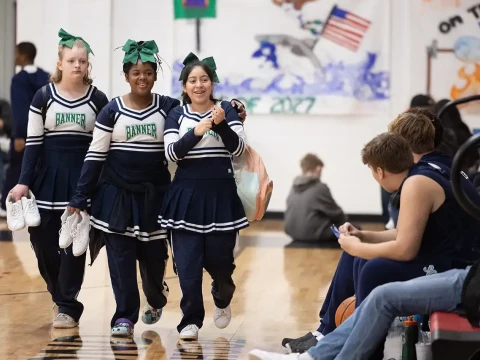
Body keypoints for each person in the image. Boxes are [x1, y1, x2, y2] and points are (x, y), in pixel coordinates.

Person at [68, 44, 247, 337]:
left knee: (160, 262)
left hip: (160, 195)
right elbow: (96, 154)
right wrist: (81, 196)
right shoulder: (114, 110)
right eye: (136, 72)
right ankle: (127, 317)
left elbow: (235, 140)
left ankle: (162, 295)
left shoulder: (167, 107)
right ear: (126, 75)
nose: (142, 78)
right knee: (126, 259)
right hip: (120, 195)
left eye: (148, 73)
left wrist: (231, 110)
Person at [282, 112, 480, 354]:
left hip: (463, 269)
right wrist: (364, 236)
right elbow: (407, 230)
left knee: (373, 266)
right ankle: (329, 333)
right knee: (359, 254)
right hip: (456, 259)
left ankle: (364, 345)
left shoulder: (419, 180)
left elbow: (406, 247)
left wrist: (358, 247)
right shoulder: (441, 164)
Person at [8, 29, 108, 328]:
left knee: (74, 245)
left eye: (83, 61)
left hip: (82, 179)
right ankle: (60, 295)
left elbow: (103, 146)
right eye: (72, 60)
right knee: (42, 243)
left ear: (87, 65)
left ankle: (67, 306)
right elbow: (34, 142)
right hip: (46, 178)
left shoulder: (98, 99)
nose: (78, 65)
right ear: (60, 63)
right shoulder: (43, 96)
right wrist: (24, 181)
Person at [160, 52, 248, 340]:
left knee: (221, 262)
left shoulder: (227, 110)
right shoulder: (176, 114)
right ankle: (190, 320)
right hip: (185, 195)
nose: (199, 85)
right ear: (185, 86)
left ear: (212, 83)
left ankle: (222, 296)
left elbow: (239, 151)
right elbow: (171, 153)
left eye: (204, 80)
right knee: (186, 264)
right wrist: (196, 131)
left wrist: (220, 124)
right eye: (193, 81)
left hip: (221, 197)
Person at [250, 264, 472, 360]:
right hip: (471, 274)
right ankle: (312, 354)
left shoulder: (423, 181)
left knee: (383, 295)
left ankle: (314, 355)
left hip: (474, 287)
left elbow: (407, 244)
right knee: (375, 286)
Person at [0, 42, 49, 217]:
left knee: (16, 167)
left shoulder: (19, 79)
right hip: (44, 132)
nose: (14, 56)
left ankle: (8, 206)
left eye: (16, 53)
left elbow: (20, 110)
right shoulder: (45, 76)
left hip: (24, 133)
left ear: (24, 55)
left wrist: (20, 135)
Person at [284, 153, 345, 247]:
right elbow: (337, 214)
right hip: (314, 234)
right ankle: (343, 240)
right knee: (350, 228)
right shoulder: (320, 188)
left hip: (293, 233)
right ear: (318, 169)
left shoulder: (293, 187)